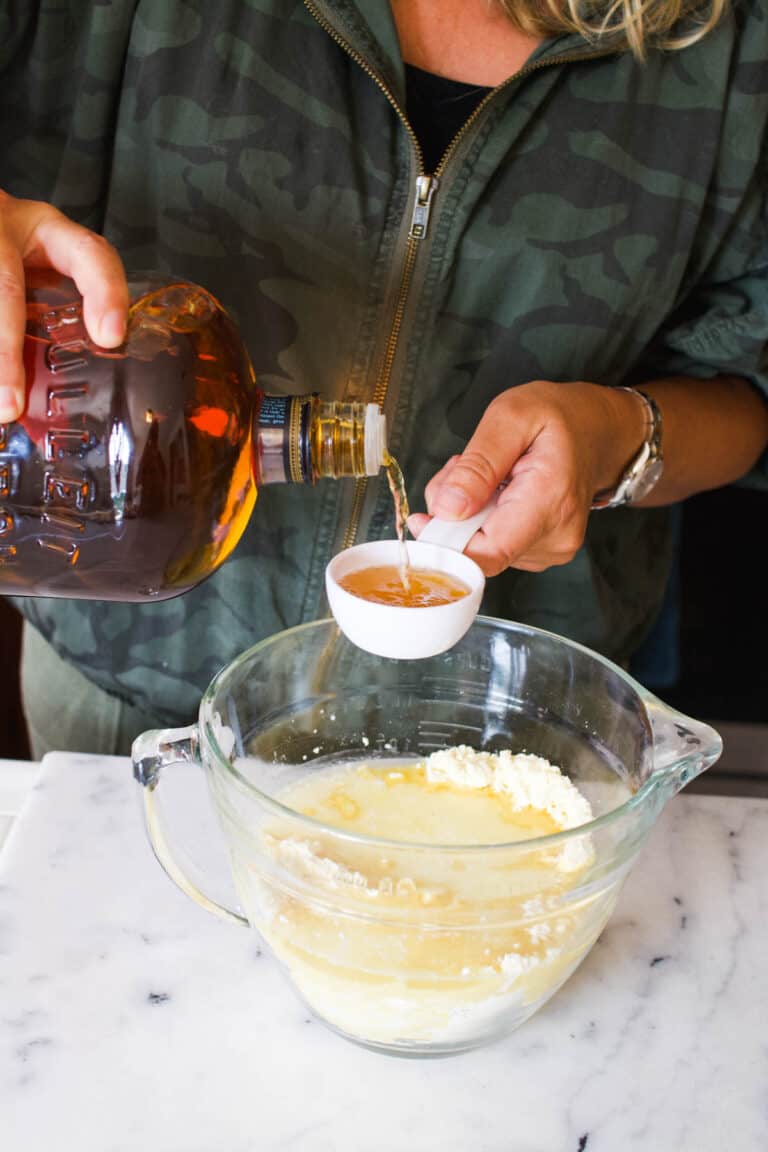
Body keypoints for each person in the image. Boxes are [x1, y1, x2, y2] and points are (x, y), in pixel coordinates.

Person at [1, 0, 766, 758]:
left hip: (507, 720)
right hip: (135, 709)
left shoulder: (732, 39)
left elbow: (748, 388)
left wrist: (618, 437)